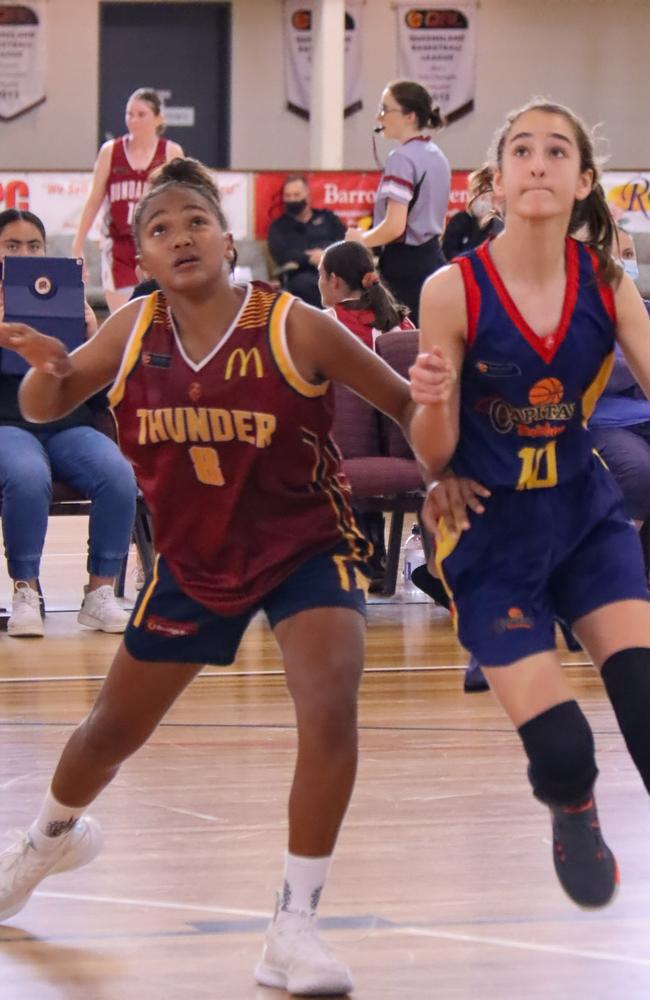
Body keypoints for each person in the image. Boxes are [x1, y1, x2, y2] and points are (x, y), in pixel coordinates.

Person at [0, 158, 418, 996]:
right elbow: (47, 407)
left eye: (195, 220)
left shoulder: (295, 323)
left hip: (305, 546)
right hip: (193, 561)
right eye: (158, 230)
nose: (179, 236)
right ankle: (47, 841)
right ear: (141, 261)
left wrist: (450, 475)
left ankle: (293, 927)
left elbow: (405, 403)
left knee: (330, 709)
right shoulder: (130, 327)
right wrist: (50, 369)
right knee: (106, 737)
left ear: (228, 240)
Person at [409, 99, 650, 910]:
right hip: (487, 529)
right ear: (498, 179)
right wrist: (435, 402)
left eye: (557, 151)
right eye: (522, 150)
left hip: (582, 514)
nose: (539, 162)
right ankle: (573, 806)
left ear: (585, 181)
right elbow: (431, 456)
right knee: (565, 745)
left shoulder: (610, 285)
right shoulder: (452, 290)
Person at [0, 208, 136, 636]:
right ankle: (26, 591)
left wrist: (91, 339)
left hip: (68, 425)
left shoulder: (69, 303)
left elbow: (96, 393)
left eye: (33, 246)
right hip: (8, 426)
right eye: (12, 246)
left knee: (117, 473)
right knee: (26, 476)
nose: (25, 253)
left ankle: (100, 592)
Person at [319, 240, 415, 589]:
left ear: (333, 281)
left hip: (343, 446)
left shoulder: (323, 323)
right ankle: (376, 550)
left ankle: (363, 548)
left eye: (319, 275)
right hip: (406, 442)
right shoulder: (402, 325)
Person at [345, 79, 450, 325]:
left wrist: (360, 241)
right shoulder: (437, 155)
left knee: (400, 347)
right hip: (433, 257)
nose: (379, 117)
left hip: (404, 267)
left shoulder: (401, 158)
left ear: (409, 116)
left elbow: (395, 227)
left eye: (385, 109)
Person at [72, 88, 184, 313]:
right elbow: (95, 198)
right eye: (129, 114)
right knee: (123, 320)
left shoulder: (171, 152)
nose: (133, 120)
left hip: (156, 244)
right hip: (118, 246)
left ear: (158, 118)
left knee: (157, 318)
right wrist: (78, 242)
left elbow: (180, 200)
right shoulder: (110, 151)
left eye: (141, 114)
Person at [589, 228, 650, 528]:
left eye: (628, 255)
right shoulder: (580, 316)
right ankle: (622, 564)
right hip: (606, 425)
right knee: (638, 470)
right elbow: (607, 372)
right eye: (614, 255)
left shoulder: (645, 312)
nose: (623, 263)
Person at [267, 174, 346, 308]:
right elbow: (282, 254)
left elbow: (344, 242)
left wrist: (326, 255)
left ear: (308, 196)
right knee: (308, 285)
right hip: (300, 275)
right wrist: (309, 258)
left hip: (333, 271)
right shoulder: (278, 227)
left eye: (296, 195)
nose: (292, 199)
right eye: (288, 196)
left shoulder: (328, 219)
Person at [318, 240, 415, 349]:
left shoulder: (327, 321)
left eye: (320, 275)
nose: (318, 281)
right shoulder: (403, 321)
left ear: (333, 280)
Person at [441, 167, 504, 260]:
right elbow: (448, 252)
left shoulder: (500, 224)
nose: (482, 198)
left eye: (486, 191)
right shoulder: (459, 221)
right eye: (477, 192)